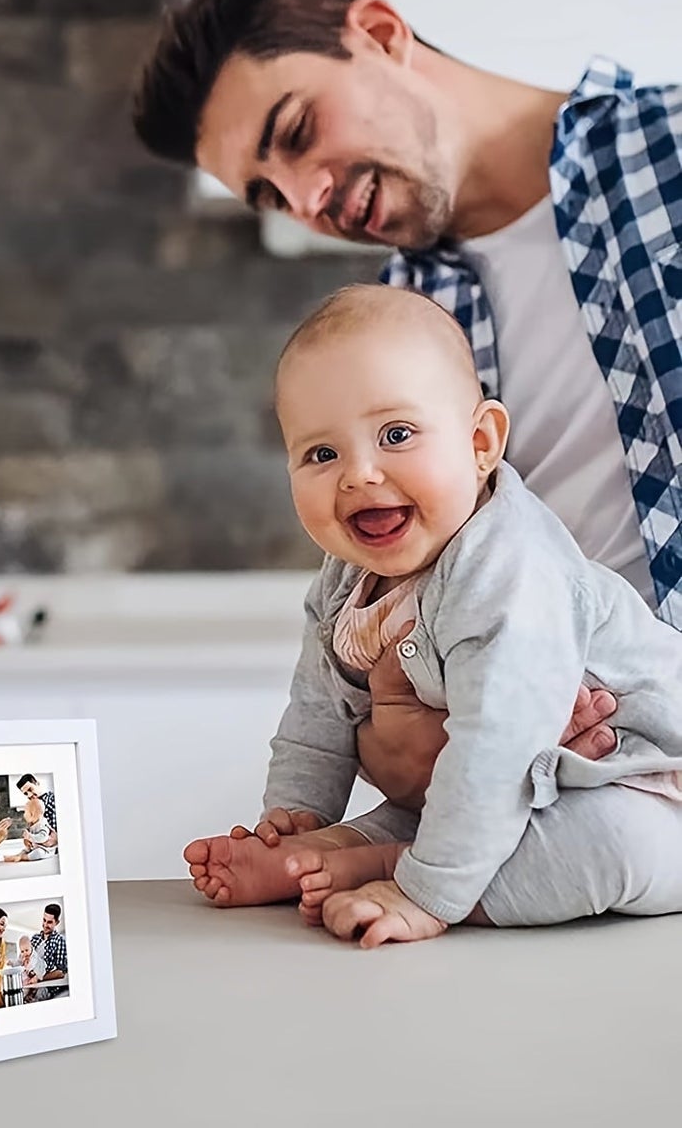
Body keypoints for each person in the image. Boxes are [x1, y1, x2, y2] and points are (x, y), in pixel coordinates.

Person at [130, 0, 673, 808]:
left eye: (298, 130)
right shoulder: (400, 326)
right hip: (561, 815)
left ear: (380, 35)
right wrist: (396, 733)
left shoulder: (665, 152)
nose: (307, 200)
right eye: (268, 194)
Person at [184, 285, 682, 946]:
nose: (358, 474)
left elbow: (495, 748)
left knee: (620, 844)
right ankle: (322, 851)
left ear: (480, 442)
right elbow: (314, 715)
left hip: (644, 787)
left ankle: (394, 866)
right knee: (435, 805)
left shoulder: (508, 569)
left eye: (396, 434)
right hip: (497, 791)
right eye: (320, 453)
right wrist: (294, 815)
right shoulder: (345, 583)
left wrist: (426, 893)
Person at [29, 904, 68, 999]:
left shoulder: (59, 940)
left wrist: (39, 977)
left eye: (49, 922)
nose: (45, 925)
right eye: (44, 920)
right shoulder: (35, 938)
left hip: (45, 988)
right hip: (29, 985)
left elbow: (61, 972)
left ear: (57, 922)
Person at [16, 772, 57, 856]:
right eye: (26, 793)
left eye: (30, 789)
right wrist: (27, 839)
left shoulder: (53, 799)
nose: (29, 795)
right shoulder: (32, 807)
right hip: (40, 845)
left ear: (37, 783)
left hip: (53, 848)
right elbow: (33, 827)